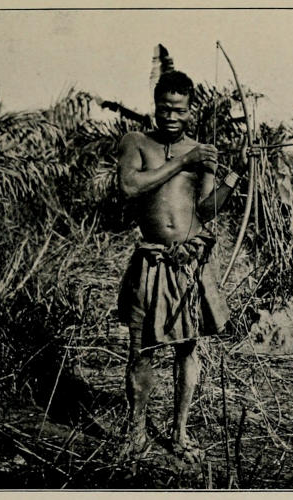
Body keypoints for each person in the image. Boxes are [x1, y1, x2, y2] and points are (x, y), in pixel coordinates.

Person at [117, 70, 248, 462]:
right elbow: (131, 186)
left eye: (179, 110)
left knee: (186, 349)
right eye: (165, 108)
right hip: (152, 261)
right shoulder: (136, 142)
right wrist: (183, 162)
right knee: (141, 351)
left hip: (188, 263)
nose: (171, 117)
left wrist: (234, 179)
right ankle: (137, 433)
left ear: (191, 111)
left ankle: (179, 433)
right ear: (155, 106)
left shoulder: (201, 153)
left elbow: (205, 211)